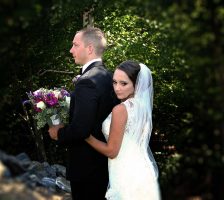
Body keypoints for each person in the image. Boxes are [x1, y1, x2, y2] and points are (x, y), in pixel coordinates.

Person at [48, 27, 118, 200]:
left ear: (89, 49)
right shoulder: (109, 77)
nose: (71, 50)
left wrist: (58, 133)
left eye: (75, 45)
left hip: (87, 169)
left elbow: (81, 129)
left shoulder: (87, 81)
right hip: (104, 166)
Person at [85, 60, 161, 200]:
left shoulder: (121, 109)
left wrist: (85, 135)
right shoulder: (142, 108)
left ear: (136, 84)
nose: (117, 88)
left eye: (123, 83)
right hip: (142, 169)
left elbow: (112, 151)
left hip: (126, 174)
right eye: (115, 82)